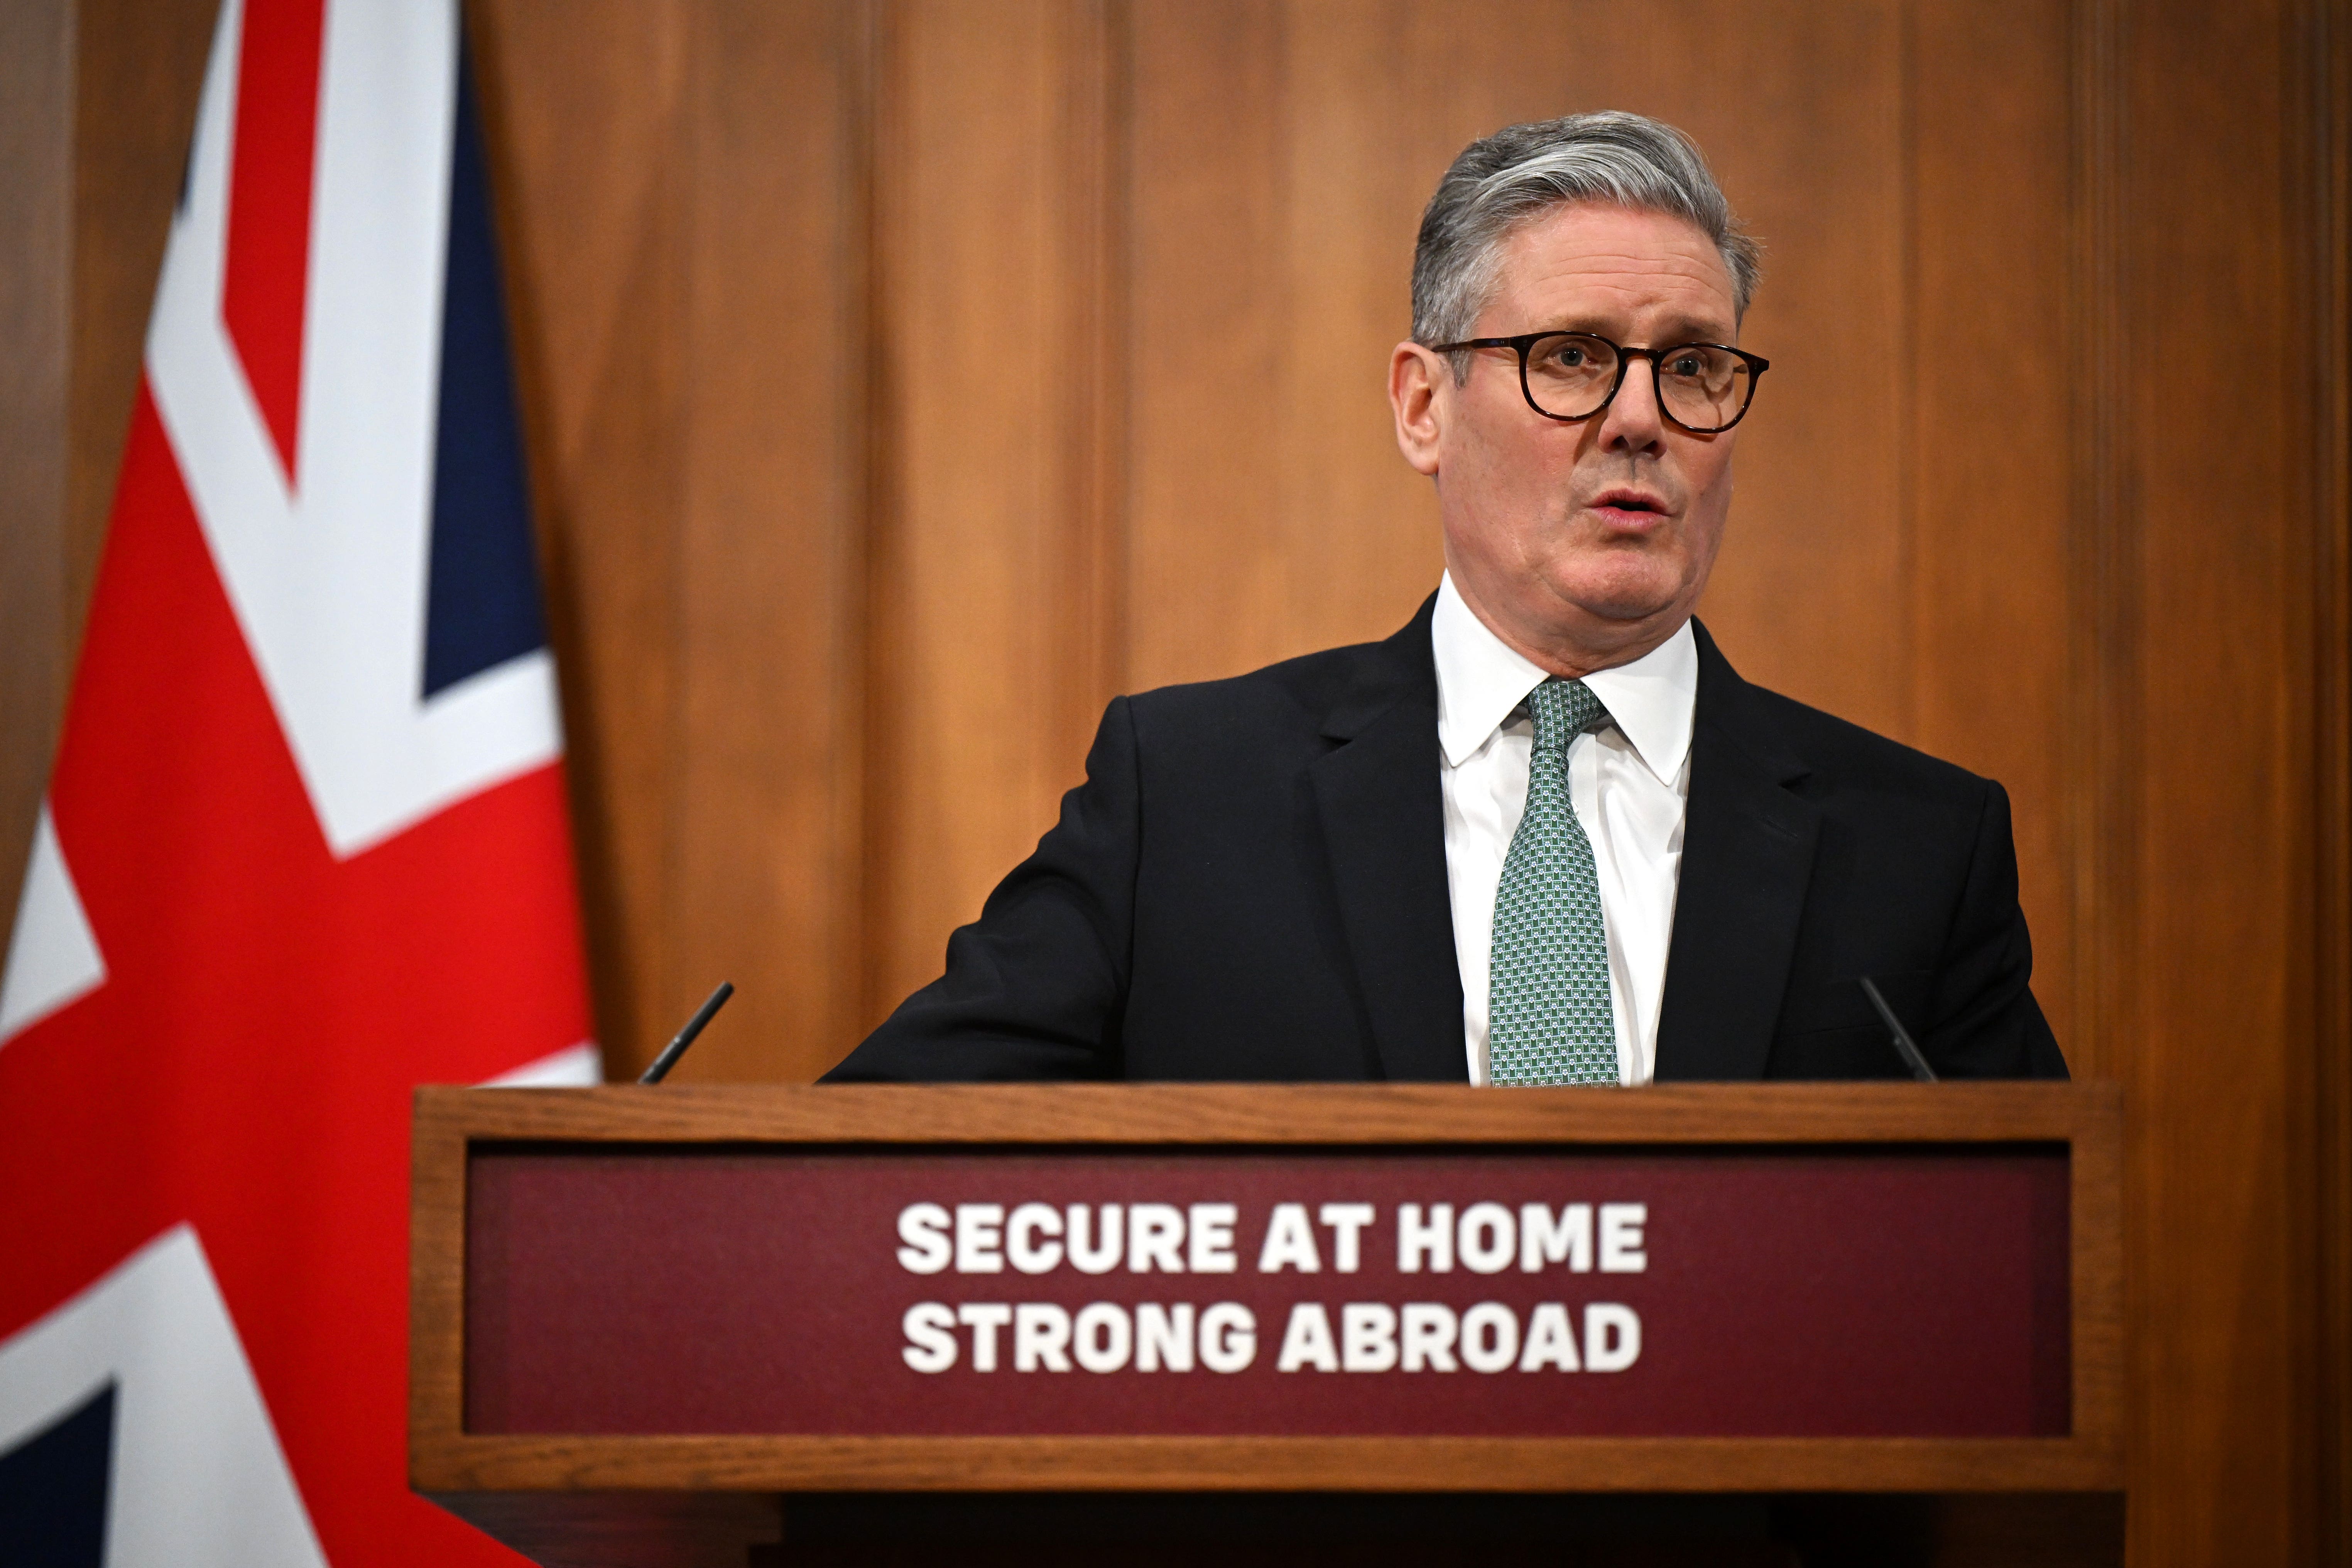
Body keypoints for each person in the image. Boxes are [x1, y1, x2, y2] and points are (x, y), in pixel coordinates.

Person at [826, 111, 2065, 1085]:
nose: (1641, 419)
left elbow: (2029, 1266)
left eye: (1692, 365)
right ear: (1425, 407)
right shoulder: (1189, 800)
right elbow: (877, 1159)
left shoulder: (1915, 849)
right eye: (1572, 356)